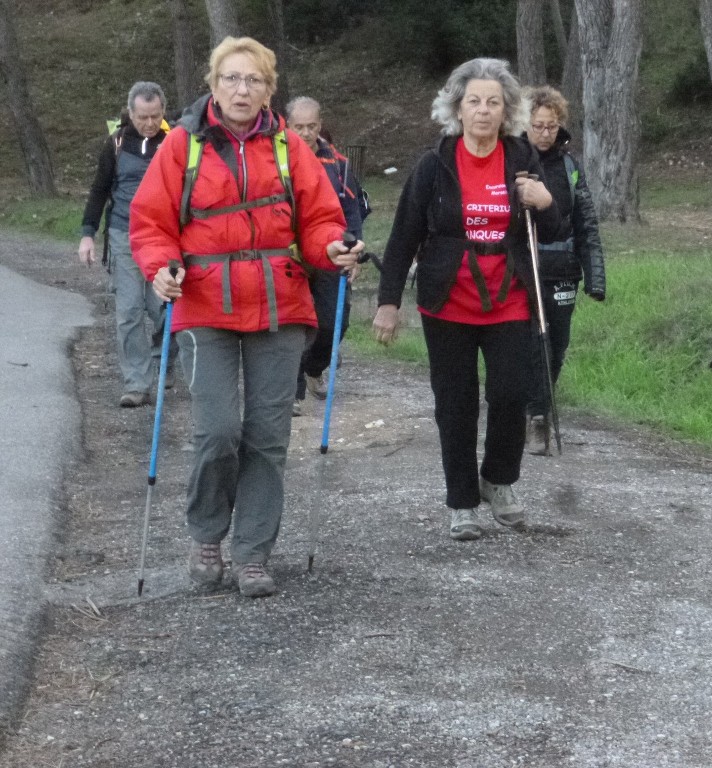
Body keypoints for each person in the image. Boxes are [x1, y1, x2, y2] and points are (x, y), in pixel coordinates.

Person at [129, 37, 363, 597]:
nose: (242, 89)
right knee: (217, 432)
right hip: (204, 302)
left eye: (253, 80)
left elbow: (321, 220)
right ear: (213, 85)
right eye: (232, 79)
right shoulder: (182, 145)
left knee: (267, 435)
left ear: (268, 89)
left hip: (282, 303)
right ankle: (207, 533)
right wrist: (161, 267)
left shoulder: (288, 147)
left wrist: (332, 249)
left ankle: (254, 553)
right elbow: (151, 223)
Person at [372, 57, 559, 541]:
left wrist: (547, 202)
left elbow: (552, 227)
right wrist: (388, 302)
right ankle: (462, 502)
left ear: (507, 109)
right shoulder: (435, 164)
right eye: (473, 101)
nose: (482, 111)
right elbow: (403, 236)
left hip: (510, 295)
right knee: (455, 403)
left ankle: (497, 480)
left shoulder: (522, 159)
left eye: (493, 102)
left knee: (512, 393)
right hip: (448, 298)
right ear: (457, 108)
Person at [79, 81, 174, 408]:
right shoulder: (116, 143)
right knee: (129, 312)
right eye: (143, 116)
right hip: (123, 235)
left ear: (163, 112)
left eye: (155, 115)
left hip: (164, 237)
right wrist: (87, 233)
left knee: (163, 309)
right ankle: (137, 383)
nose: (149, 123)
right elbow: (99, 188)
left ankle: (165, 358)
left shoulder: (175, 142)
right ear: (130, 113)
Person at [522, 86, 606, 455]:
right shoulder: (514, 161)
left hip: (562, 270)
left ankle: (539, 412)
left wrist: (595, 276)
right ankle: (532, 414)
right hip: (522, 268)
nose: (544, 133)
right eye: (538, 125)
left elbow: (586, 221)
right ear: (525, 124)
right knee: (527, 344)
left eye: (551, 126)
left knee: (556, 345)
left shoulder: (570, 167)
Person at [285, 96, 366, 417]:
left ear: (321, 125)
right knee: (291, 325)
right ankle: (291, 391)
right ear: (287, 125)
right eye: (298, 127)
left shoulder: (339, 164)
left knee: (333, 323)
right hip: (288, 258)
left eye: (312, 126)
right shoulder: (275, 159)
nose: (305, 133)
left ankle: (313, 366)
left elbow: (353, 211)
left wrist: (354, 252)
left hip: (329, 253)